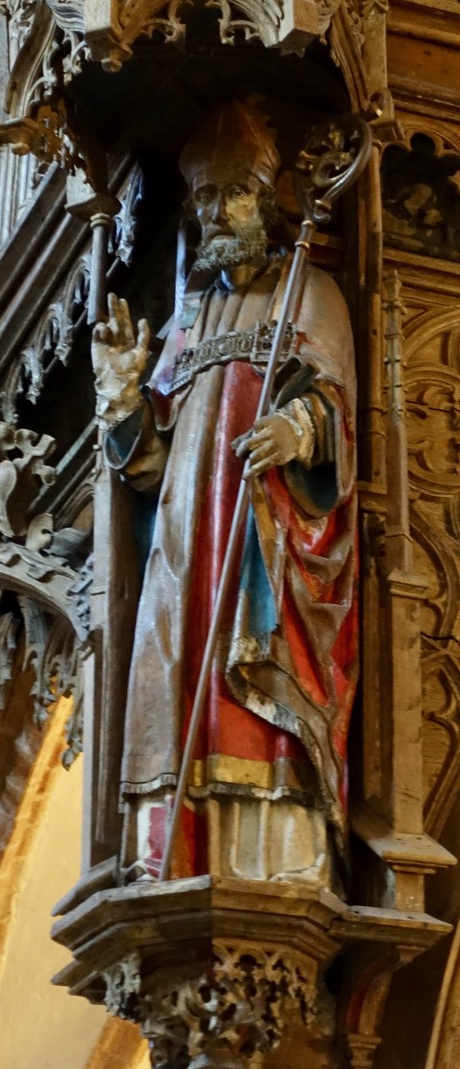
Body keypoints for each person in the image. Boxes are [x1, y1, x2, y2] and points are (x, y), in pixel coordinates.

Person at [92, 101, 357, 888]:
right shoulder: (188, 321)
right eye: (204, 198)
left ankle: (270, 854)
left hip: (257, 543)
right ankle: (171, 856)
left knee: (251, 685)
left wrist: (300, 429)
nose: (214, 211)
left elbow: (336, 406)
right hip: (183, 551)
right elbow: (149, 467)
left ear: (267, 203)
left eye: (233, 194)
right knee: (174, 685)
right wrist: (122, 400)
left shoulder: (309, 292)